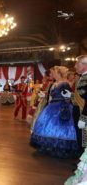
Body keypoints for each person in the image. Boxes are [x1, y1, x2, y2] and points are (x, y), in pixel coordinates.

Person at [30, 66, 77, 158]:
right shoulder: (54, 83)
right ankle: (48, 146)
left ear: (59, 73)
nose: (52, 74)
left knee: (58, 128)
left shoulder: (64, 84)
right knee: (46, 126)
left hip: (61, 107)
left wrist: (65, 106)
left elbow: (69, 98)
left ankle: (58, 148)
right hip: (51, 106)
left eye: (53, 72)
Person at [65, 55, 87, 185]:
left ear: (84, 65)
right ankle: (82, 164)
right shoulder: (82, 77)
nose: (75, 66)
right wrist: (71, 95)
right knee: (81, 139)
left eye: (77, 64)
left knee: (84, 140)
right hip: (78, 112)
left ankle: (83, 166)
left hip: (84, 115)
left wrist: (84, 117)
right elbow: (81, 97)